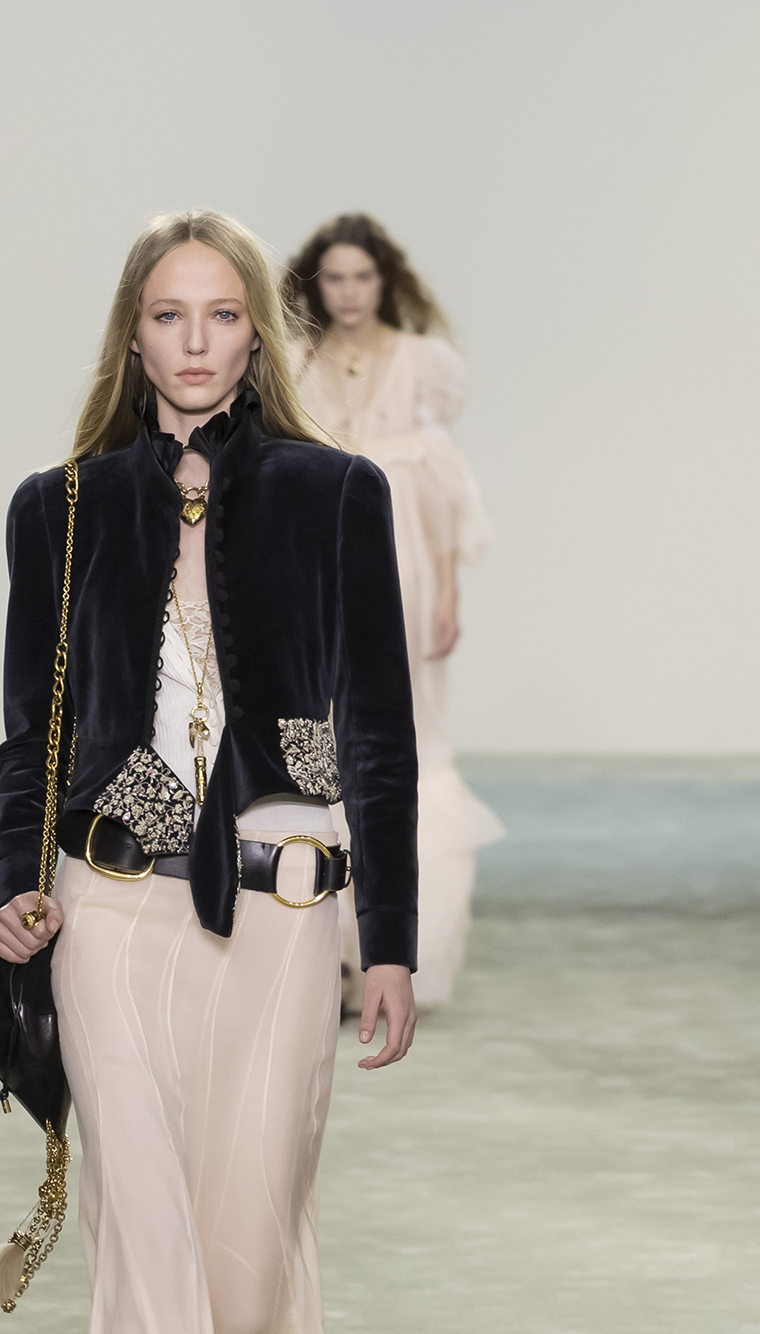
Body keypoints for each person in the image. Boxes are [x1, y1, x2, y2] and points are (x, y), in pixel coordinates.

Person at [0, 210, 418, 1334]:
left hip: (283, 908)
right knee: (151, 1264)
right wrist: (13, 892)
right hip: (113, 903)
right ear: (134, 331)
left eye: (221, 314)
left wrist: (390, 941)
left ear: (253, 332)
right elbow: (27, 742)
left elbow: (374, 735)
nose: (195, 341)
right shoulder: (60, 507)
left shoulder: (334, 493)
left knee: (240, 1281)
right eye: (168, 315)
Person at [287, 213, 503, 1009]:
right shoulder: (294, 361)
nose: (349, 293)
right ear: (317, 284)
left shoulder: (422, 367)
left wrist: (449, 591)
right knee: (318, 731)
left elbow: (443, 489)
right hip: (315, 565)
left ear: (385, 281)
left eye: (362, 277)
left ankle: (401, 947)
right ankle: (326, 949)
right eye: (335, 278)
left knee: (402, 734)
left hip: (405, 565)